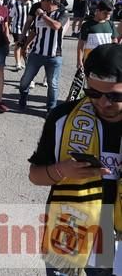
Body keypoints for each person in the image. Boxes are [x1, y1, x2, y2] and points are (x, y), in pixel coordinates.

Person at [28, 44, 122, 275]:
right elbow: (35, 176)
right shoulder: (62, 117)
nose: (103, 103)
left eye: (114, 96)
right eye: (94, 93)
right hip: (71, 226)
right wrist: (62, 170)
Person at [19, 0, 69, 115]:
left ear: (51, 2)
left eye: (43, 1)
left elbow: (56, 26)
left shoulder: (62, 14)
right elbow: (34, 31)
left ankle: (50, 109)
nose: (40, 4)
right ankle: (23, 96)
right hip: (36, 53)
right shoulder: (39, 14)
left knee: (53, 84)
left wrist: (43, 15)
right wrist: (25, 45)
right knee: (26, 79)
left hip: (54, 56)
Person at [77, 0, 118, 69]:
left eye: (109, 14)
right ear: (98, 11)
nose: (108, 16)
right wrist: (79, 60)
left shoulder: (110, 24)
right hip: (90, 61)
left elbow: (115, 42)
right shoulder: (87, 25)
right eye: (105, 13)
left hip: (106, 61)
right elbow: (81, 45)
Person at [10, 0, 32, 71]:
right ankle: (18, 63)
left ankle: (22, 61)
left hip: (27, 29)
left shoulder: (31, 4)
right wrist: (8, 26)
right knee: (18, 45)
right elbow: (11, 16)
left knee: (25, 47)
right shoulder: (16, 4)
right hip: (17, 28)